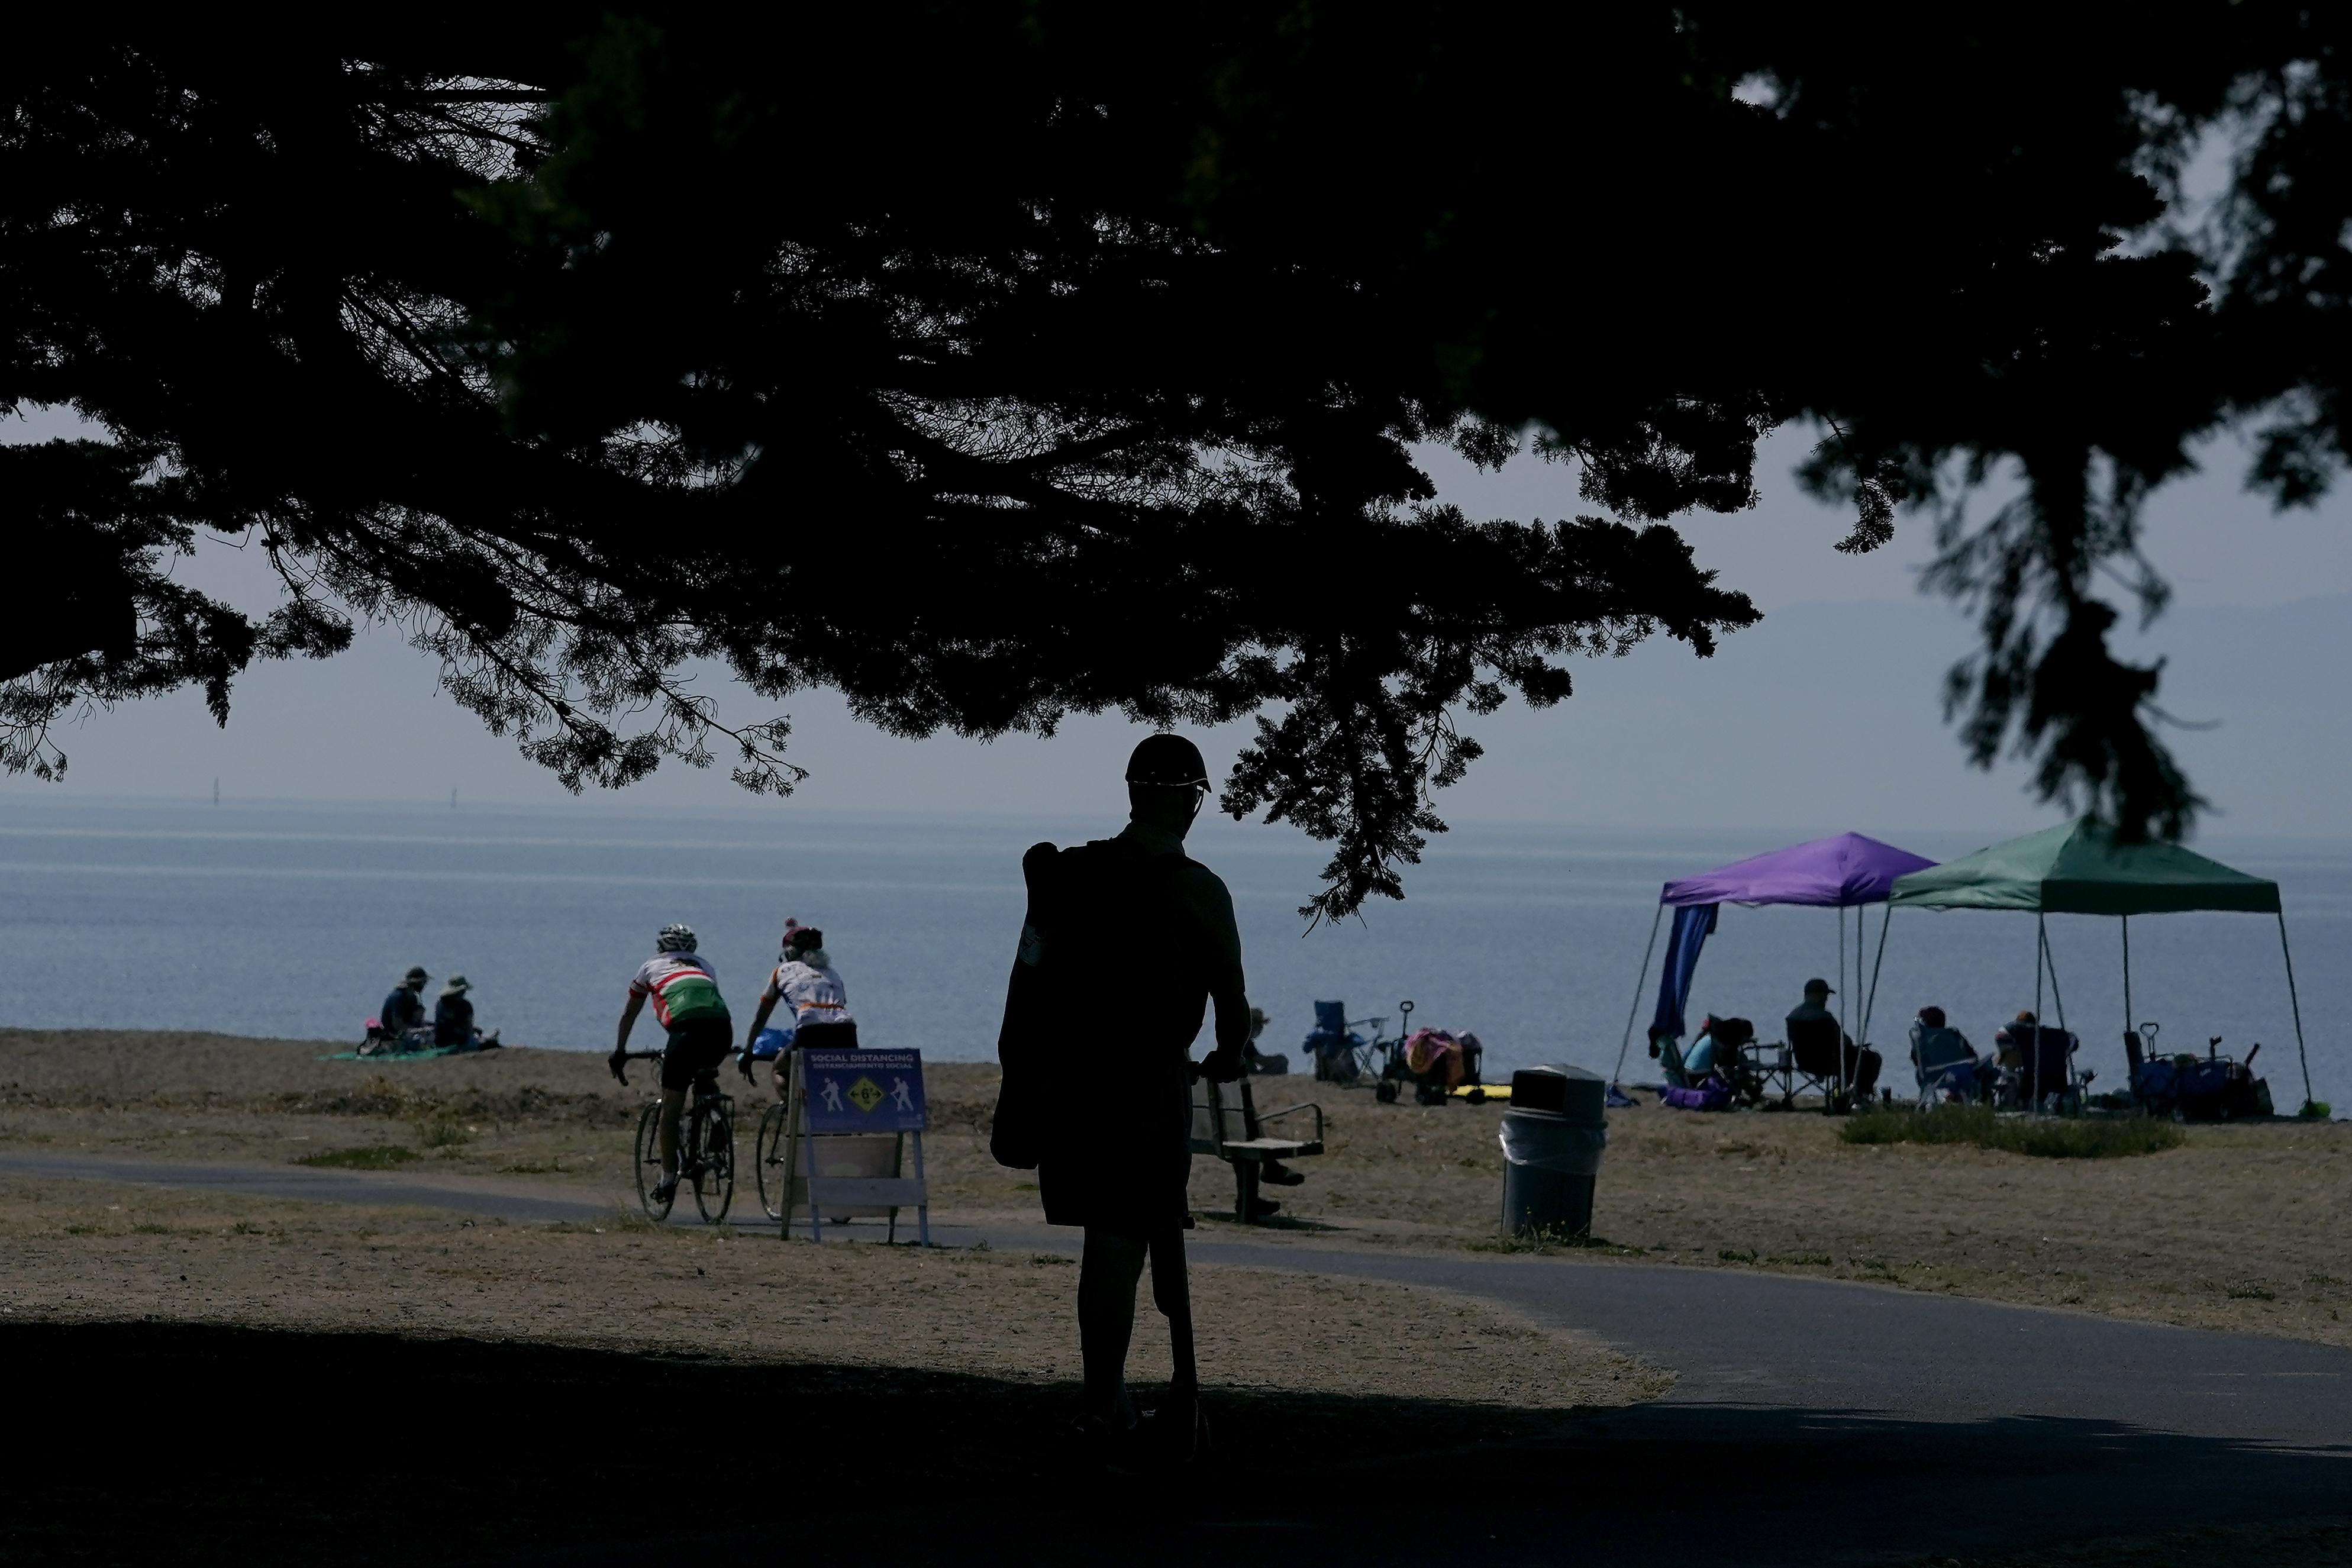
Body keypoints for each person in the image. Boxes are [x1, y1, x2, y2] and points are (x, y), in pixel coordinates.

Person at [990, 733, 1249, 1469]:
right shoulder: (1198, 887)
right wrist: (1226, 1057)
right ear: (1184, 798)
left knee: (1107, 1240)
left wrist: (1022, 1076)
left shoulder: (1067, 876)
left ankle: (1107, 1396)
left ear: (1134, 792)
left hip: (1067, 1087)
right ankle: (1104, 1404)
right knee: (1120, 1242)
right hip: (1143, 1090)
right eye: (1196, 797)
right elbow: (1232, 1003)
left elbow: (1027, 975)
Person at [609, 924, 733, 1205]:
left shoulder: (650, 967)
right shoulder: (705, 966)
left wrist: (620, 1051)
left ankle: (667, 1179)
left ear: (660, 948)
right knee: (703, 1075)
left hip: (686, 1033)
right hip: (723, 1029)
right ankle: (715, 1117)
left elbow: (631, 1012)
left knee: (671, 1109)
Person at [740, 922, 857, 1096]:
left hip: (812, 1030)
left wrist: (748, 1051)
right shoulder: (832, 973)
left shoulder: (782, 971)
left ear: (789, 952)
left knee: (779, 1071)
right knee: (842, 1079)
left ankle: (794, 1116)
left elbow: (760, 1019)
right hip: (846, 1030)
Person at [1785, 977, 1882, 1098]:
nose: (1826, 999)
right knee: (1870, 1058)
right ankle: (1858, 1093)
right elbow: (1845, 1041)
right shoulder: (1825, 1018)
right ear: (1815, 995)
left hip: (1805, 1063)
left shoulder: (1793, 1016)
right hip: (1830, 1063)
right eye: (1824, 995)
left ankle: (1845, 1091)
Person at [1907, 1005, 1980, 1102]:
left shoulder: (1921, 1040)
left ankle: (1952, 1098)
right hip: (1959, 1075)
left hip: (1930, 1076)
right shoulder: (1954, 1035)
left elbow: (1916, 1060)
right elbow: (1972, 1056)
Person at [432, 976, 501, 1051]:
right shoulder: (465, 1006)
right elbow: (468, 1029)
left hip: (440, 1042)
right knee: (490, 1043)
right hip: (459, 1042)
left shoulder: (441, 1004)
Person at [379, 966, 431, 1047]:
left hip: (409, 1029)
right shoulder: (398, 997)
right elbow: (397, 1025)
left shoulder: (413, 996)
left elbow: (417, 1018)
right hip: (394, 1034)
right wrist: (419, 1030)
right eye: (423, 982)